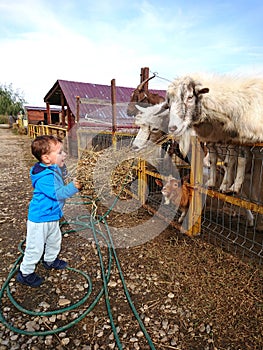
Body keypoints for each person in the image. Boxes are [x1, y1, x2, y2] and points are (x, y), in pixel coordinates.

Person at [16, 135, 82, 287]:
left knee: (54, 240)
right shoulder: (44, 178)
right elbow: (59, 193)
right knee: (35, 247)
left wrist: (64, 168)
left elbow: (62, 174)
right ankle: (25, 273)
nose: (64, 154)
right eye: (60, 153)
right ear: (46, 158)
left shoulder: (52, 167)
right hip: (40, 219)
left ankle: (50, 260)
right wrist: (74, 187)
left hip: (52, 216)